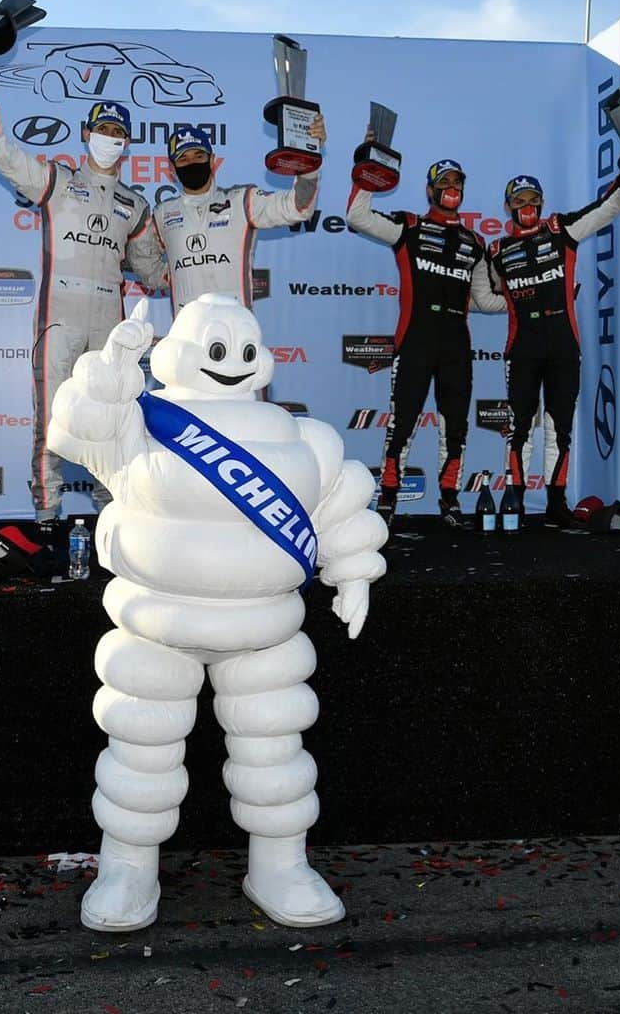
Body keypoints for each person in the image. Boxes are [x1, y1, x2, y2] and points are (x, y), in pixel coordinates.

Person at [47, 293, 387, 932]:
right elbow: (79, 427)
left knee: (275, 752)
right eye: (217, 348)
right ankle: (127, 867)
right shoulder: (142, 422)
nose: (231, 360)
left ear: (262, 359)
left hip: (265, 629)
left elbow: (338, 505)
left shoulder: (301, 437)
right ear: (175, 354)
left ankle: (280, 865)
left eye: (244, 349)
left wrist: (355, 570)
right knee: (139, 751)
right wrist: (112, 375)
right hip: (157, 626)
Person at [0, 62, 166, 530]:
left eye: (118, 131)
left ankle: (112, 512)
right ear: (86, 134)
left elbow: (155, 273)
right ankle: (46, 513)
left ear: (127, 143)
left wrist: (200, 271)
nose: (109, 136)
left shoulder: (135, 204)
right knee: (53, 418)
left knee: (113, 418)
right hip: (58, 314)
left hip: (107, 321)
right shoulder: (57, 181)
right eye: (102, 128)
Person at [486, 168, 620, 526]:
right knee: (520, 428)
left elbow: (606, 209)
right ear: (508, 207)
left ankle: (555, 503)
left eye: (533, 199)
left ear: (542, 202)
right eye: (519, 201)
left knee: (560, 427)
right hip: (521, 346)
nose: (527, 206)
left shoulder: (561, 230)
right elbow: (489, 292)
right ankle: (515, 502)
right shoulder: (497, 251)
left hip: (563, 343)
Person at [347, 156, 504, 528]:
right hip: (415, 339)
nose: (452, 188)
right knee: (402, 422)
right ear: (430, 189)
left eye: (458, 182)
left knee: (456, 428)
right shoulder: (409, 226)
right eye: (445, 181)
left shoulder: (475, 242)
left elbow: (483, 299)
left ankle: (449, 500)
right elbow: (357, 216)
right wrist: (369, 169)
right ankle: (388, 495)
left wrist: (524, 299)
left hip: (456, 344)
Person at [152, 123, 323, 314]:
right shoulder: (162, 213)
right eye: (183, 159)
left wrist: (309, 161)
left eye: (199, 156)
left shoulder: (242, 200)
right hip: (187, 333)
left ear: (212, 161)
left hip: (237, 331)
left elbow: (297, 208)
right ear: (172, 169)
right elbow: (142, 258)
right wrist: (172, 277)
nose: (191, 163)